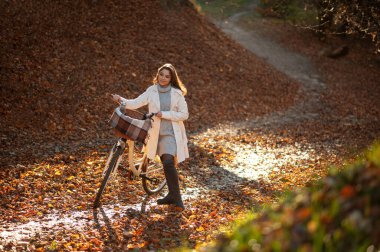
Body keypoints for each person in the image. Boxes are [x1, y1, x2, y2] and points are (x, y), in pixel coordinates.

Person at [111, 63, 189, 210]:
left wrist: (164, 114)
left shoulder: (177, 93)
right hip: (155, 133)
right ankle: (171, 195)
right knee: (163, 160)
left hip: (171, 133)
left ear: (172, 78)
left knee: (167, 161)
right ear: (157, 75)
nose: (164, 78)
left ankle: (176, 198)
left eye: (167, 76)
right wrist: (121, 100)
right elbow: (135, 103)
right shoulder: (151, 91)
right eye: (162, 75)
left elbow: (184, 114)